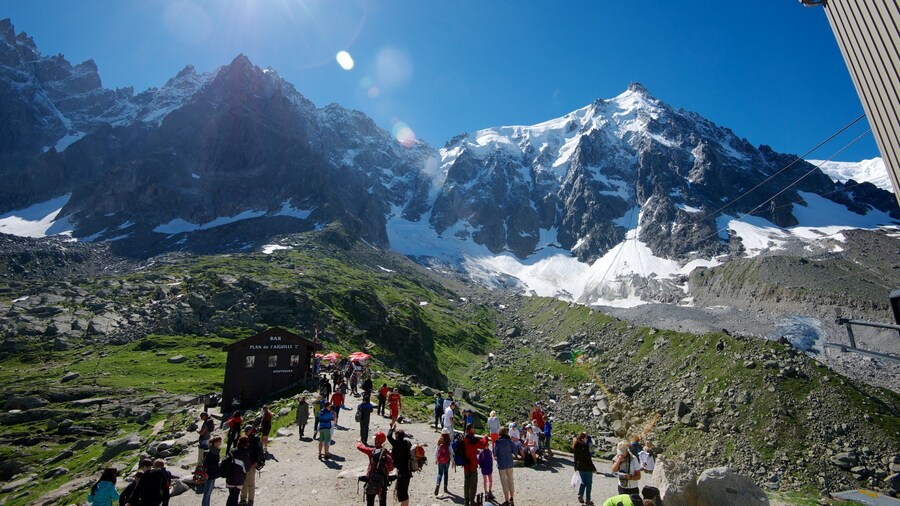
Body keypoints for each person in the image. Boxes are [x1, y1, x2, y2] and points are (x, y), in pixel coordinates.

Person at [358, 432, 394, 506]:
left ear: (376, 441)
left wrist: (358, 441)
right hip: (383, 481)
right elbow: (391, 467)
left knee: (370, 502)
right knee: (383, 502)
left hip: (371, 480)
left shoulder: (371, 451)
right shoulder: (387, 453)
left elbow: (359, 447)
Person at [461, 423, 489, 506]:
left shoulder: (464, 438)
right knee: (473, 484)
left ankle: (466, 501)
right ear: (470, 429)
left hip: (466, 464)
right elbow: (482, 445)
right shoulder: (472, 440)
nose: (474, 429)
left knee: (466, 483)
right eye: (473, 428)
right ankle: (472, 502)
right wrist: (486, 438)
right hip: (472, 464)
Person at [387, 422, 413, 506]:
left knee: (403, 494)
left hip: (402, 472)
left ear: (397, 437)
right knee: (404, 490)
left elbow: (388, 437)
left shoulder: (397, 445)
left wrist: (391, 428)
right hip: (408, 471)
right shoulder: (407, 443)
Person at [240, 425, 263, 506]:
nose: (246, 432)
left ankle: (250, 500)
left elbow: (260, 451)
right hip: (243, 464)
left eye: (247, 431)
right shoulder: (244, 438)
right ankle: (243, 499)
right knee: (243, 482)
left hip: (252, 464)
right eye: (245, 431)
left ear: (251, 430)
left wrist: (256, 462)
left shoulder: (256, 439)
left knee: (250, 483)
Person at [494, 427, 517, 506]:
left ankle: (506, 500)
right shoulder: (509, 441)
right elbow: (515, 451)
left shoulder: (497, 442)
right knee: (511, 480)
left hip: (501, 465)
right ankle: (512, 498)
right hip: (510, 463)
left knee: (504, 482)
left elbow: (495, 454)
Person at [573, 432, 597, 505]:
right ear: (583, 438)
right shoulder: (585, 446)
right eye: (586, 438)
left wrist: (575, 467)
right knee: (589, 484)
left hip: (580, 467)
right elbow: (588, 459)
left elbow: (575, 458)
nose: (587, 439)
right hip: (587, 467)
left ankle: (580, 495)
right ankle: (588, 500)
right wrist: (593, 468)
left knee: (583, 482)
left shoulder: (576, 446)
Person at [226, 436, 250, 506]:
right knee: (235, 497)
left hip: (230, 477)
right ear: (246, 444)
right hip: (239, 479)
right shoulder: (245, 454)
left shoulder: (233, 451)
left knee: (231, 496)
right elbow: (248, 468)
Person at [201, 436, 222, 506]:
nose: (220, 443)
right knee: (207, 493)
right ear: (215, 443)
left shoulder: (215, 451)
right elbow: (206, 464)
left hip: (212, 474)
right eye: (219, 441)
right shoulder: (212, 452)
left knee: (209, 493)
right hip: (209, 475)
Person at [434, 428, 454, 496]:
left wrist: (436, 459)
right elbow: (451, 452)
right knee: (446, 473)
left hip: (440, 460)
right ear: (448, 434)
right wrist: (452, 460)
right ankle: (445, 487)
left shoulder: (439, 441)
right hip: (447, 460)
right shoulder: (449, 442)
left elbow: (436, 451)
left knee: (440, 473)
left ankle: (437, 484)